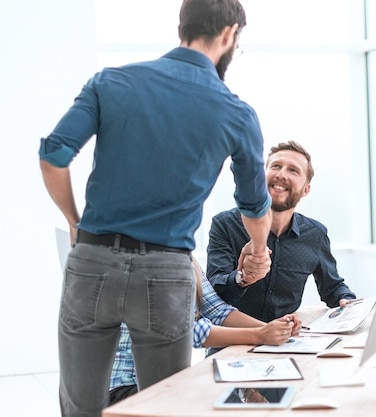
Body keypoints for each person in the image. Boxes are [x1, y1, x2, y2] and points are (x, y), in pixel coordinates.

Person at [38, 1, 272, 416]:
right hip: (165, 273)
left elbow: (55, 155)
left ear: (182, 26)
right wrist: (258, 248)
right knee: (164, 407)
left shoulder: (111, 82)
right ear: (229, 35)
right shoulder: (236, 113)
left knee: (79, 406)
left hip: (93, 259)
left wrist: (75, 222)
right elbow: (254, 205)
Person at [109, 259, 301, 405]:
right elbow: (182, 331)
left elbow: (217, 311)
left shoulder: (185, 258)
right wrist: (260, 335)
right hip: (125, 390)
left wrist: (273, 329)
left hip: (163, 383)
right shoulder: (140, 264)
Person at [208, 141, 357, 323]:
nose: (281, 174)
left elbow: (332, 288)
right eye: (276, 166)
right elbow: (213, 295)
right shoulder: (225, 224)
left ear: (305, 190)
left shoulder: (315, 234)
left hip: (286, 341)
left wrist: (347, 301)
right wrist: (242, 278)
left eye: (293, 170)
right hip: (232, 341)